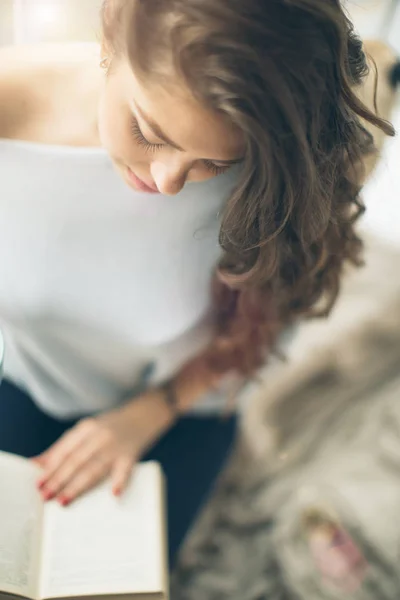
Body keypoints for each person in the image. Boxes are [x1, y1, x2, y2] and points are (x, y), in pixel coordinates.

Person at [0, 0, 395, 564]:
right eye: (147, 130)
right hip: (32, 383)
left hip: (188, 405)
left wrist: (151, 412)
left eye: (211, 163)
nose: (168, 183)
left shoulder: (270, 169)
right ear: (111, 38)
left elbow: (266, 327)